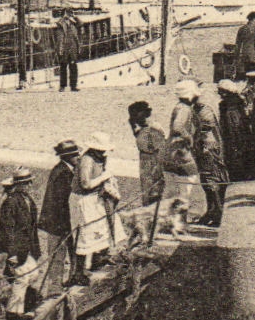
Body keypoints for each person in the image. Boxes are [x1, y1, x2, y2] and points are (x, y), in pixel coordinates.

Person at [172, 79, 227, 226]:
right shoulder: (190, 108)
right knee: (206, 180)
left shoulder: (203, 108)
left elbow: (207, 127)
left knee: (211, 180)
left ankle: (218, 212)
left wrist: (192, 138)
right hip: (202, 148)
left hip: (208, 148)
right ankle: (212, 210)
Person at [71, 132, 126, 274]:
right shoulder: (87, 160)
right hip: (84, 200)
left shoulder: (100, 158)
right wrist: (103, 177)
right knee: (86, 233)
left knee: (102, 228)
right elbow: (86, 184)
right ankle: (79, 272)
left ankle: (98, 260)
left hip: (95, 198)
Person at [0, 169, 42, 320]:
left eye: (29, 182)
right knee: (21, 278)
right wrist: (11, 254)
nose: (29, 185)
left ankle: (24, 304)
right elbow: (6, 230)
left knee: (33, 274)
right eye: (25, 183)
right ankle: (13, 312)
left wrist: (35, 247)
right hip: (17, 248)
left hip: (28, 247)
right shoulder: (11, 202)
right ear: (18, 184)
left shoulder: (27, 199)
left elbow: (32, 226)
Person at [40, 140, 85, 290]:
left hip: (59, 223)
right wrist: (69, 224)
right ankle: (55, 289)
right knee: (57, 258)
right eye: (75, 155)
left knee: (63, 256)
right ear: (67, 157)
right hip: (59, 224)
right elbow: (62, 203)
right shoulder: (64, 173)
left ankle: (67, 281)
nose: (78, 158)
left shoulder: (61, 170)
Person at [128, 101, 166, 244]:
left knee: (154, 193)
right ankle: (150, 224)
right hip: (145, 162)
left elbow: (158, 148)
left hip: (153, 162)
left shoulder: (154, 127)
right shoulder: (141, 126)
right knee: (147, 194)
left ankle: (154, 227)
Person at [216, 80, 255, 182]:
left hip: (235, 141)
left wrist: (233, 145)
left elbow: (233, 127)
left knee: (236, 165)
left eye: (220, 91)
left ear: (226, 92)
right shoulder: (237, 103)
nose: (219, 94)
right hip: (240, 139)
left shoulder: (230, 107)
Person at [55, 13, 81, 91]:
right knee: (63, 67)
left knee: (73, 67)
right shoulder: (60, 25)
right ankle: (62, 86)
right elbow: (60, 39)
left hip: (73, 49)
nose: (68, 19)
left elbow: (80, 23)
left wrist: (75, 16)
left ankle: (73, 86)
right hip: (64, 49)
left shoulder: (73, 25)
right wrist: (60, 49)